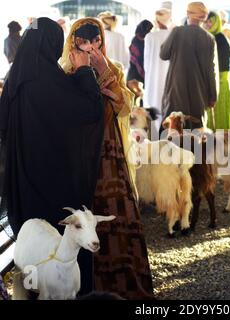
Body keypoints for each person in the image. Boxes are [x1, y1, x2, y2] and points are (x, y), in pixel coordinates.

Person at [0, 18, 104, 294]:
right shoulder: (48, 80)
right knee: (58, 245)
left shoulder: (15, 79)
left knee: (33, 247)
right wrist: (84, 71)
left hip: (23, 180)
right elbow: (89, 111)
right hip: (54, 181)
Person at [60, 18, 154, 300]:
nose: (91, 46)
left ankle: (124, 284)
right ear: (74, 41)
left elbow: (126, 108)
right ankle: (88, 286)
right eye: (85, 41)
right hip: (81, 153)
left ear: (102, 39)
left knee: (116, 214)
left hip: (110, 151)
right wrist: (81, 74)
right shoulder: (65, 70)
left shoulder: (114, 67)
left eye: (96, 40)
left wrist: (106, 75)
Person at [160, 1, 217, 130]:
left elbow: (163, 54)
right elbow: (210, 70)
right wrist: (212, 96)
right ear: (204, 17)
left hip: (176, 89)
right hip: (198, 91)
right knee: (195, 131)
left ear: (188, 14)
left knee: (173, 128)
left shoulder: (177, 32)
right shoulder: (209, 38)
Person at [144, 8, 173, 136]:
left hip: (153, 77)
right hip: (170, 77)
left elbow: (146, 61)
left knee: (153, 107)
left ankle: (154, 136)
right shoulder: (173, 35)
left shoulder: (150, 36)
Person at [204, 11, 230, 130]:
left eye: (210, 21)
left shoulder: (216, 39)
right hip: (222, 81)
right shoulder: (219, 37)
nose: (207, 24)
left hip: (220, 82)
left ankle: (219, 145)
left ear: (216, 22)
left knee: (219, 114)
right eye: (206, 21)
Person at [126, 20, 153, 105]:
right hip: (141, 68)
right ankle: (139, 102)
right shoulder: (148, 39)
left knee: (134, 90)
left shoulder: (136, 39)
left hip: (137, 67)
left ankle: (140, 103)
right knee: (133, 90)